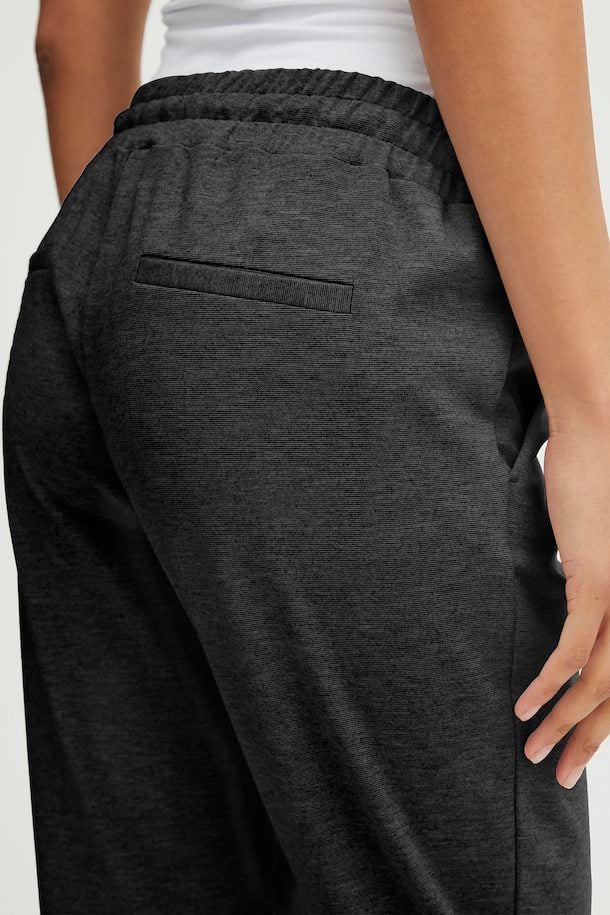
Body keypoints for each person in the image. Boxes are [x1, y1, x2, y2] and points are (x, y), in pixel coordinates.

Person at [3, 0, 608, 912]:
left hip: (110, 233)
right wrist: (596, 413)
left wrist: (164, 326)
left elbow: (68, 39)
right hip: (339, 241)